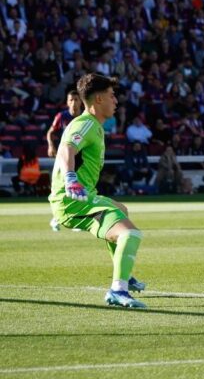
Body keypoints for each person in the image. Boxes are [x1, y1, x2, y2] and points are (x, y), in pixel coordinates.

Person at [48, 73, 148, 308]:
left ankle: (123, 273)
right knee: (130, 234)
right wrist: (71, 178)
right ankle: (118, 290)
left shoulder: (94, 126)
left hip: (82, 196)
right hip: (72, 198)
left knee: (121, 209)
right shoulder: (84, 124)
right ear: (99, 99)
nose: (116, 101)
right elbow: (66, 149)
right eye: (112, 96)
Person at [46, 88, 82, 231]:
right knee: (63, 186)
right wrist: (50, 146)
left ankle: (65, 217)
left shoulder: (84, 118)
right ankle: (59, 217)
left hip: (79, 156)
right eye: (71, 100)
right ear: (67, 102)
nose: (74, 103)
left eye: (76, 99)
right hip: (64, 156)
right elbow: (50, 133)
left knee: (77, 185)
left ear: (81, 102)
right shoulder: (62, 116)